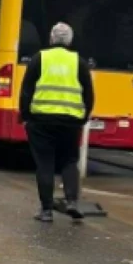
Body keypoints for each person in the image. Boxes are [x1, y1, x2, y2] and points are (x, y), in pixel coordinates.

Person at [19, 22, 95, 223]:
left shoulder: (39, 59)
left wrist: (25, 116)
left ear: (51, 39)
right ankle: (71, 202)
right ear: (69, 41)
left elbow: (26, 90)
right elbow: (89, 94)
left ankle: (46, 211)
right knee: (69, 161)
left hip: (41, 120)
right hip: (70, 122)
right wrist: (83, 117)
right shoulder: (79, 62)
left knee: (45, 164)